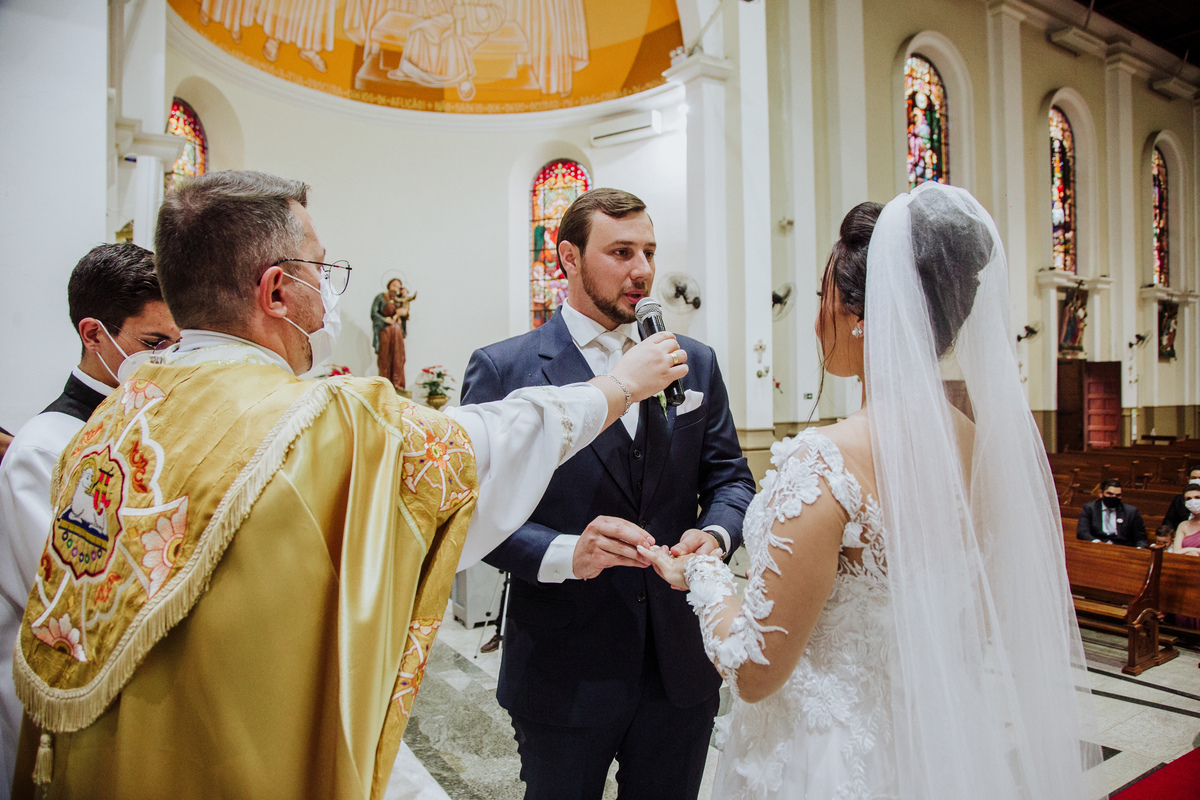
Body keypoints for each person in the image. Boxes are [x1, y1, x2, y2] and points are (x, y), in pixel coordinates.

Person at [10, 171, 687, 799]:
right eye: (321, 268)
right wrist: (619, 386)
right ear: (276, 291)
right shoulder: (314, 424)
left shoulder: (111, 421)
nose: (330, 289)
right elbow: (486, 443)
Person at [639, 183, 1101, 798]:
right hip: (930, 739)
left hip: (828, 755)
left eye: (823, 298)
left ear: (860, 319)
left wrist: (702, 574)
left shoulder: (824, 464)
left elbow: (754, 671)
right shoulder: (976, 447)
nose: (816, 319)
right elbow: (969, 620)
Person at [462, 188, 755, 800]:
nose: (642, 270)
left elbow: (730, 476)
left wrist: (715, 534)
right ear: (568, 258)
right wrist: (567, 553)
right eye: (621, 252)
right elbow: (475, 513)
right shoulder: (506, 368)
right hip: (562, 666)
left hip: (678, 666)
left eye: (648, 251)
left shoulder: (694, 362)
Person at [0, 243, 178, 794]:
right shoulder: (46, 449)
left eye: (179, 345)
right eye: (154, 344)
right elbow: (69, 604)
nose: (169, 360)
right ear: (94, 334)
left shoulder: (151, 425)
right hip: (64, 700)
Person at [1077, 479, 1149, 548]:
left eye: (1118, 495)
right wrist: (1096, 542)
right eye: (1110, 494)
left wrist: (1139, 550)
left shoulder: (1131, 512)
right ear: (1101, 493)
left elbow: (1141, 539)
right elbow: (1082, 532)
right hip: (1097, 548)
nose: (1114, 497)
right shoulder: (1090, 508)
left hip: (1122, 549)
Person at [376, 285, 407, 391]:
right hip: (385, 330)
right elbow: (374, 313)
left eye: (398, 286)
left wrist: (403, 311)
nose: (395, 288)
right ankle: (384, 383)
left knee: (398, 357)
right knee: (385, 356)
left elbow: (405, 315)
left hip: (397, 332)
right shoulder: (381, 297)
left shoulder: (400, 300)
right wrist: (384, 320)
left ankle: (397, 383)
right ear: (389, 286)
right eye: (394, 285)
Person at [1164, 464, 1200, 531]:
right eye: (1194, 478)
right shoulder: (1179, 499)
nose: (1197, 480)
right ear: (1188, 479)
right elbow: (1168, 520)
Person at [1171, 483, 1200, 555]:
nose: (1193, 501)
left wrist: (1188, 550)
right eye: (1188, 499)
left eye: (1197, 497)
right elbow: (1176, 552)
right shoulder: (1183, 525)